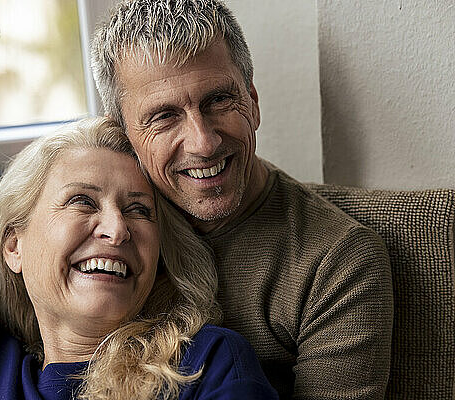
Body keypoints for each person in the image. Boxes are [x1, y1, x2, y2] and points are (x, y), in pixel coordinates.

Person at [90, 1, 394, 398]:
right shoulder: (106, 235)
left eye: (218, 100)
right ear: (121, 132)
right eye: (164, 116)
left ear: (252, 101)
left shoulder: (337, 261)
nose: (203, 143)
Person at [0, 117, 278, 400]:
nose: (117, 229)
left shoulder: (206, 364)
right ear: (13, 248)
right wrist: (9, 228)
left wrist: (35, 239)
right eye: (82, 201)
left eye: (139, 210)